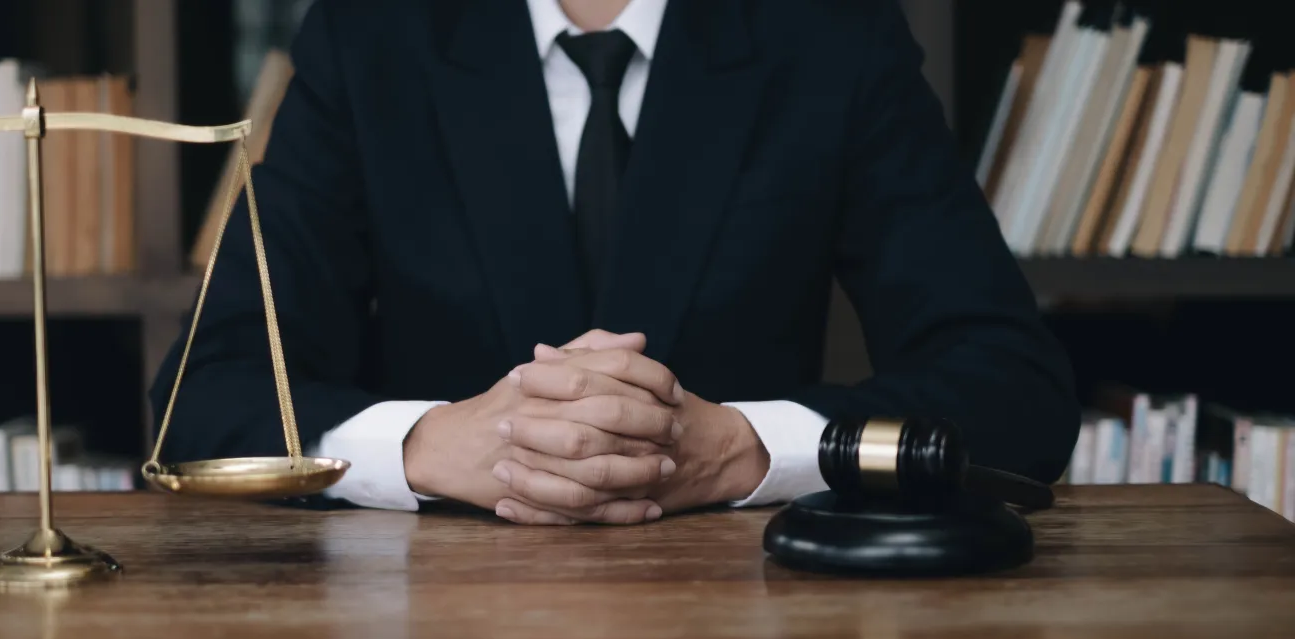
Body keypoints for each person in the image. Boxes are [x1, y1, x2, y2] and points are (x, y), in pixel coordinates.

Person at [150, 0, 1080, 525]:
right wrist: (434, 448)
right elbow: (203, 397)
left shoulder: (830, 33)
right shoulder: (371, 36)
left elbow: (1014, 390)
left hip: (749, 607)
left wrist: (748, 450)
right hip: (437, 610)